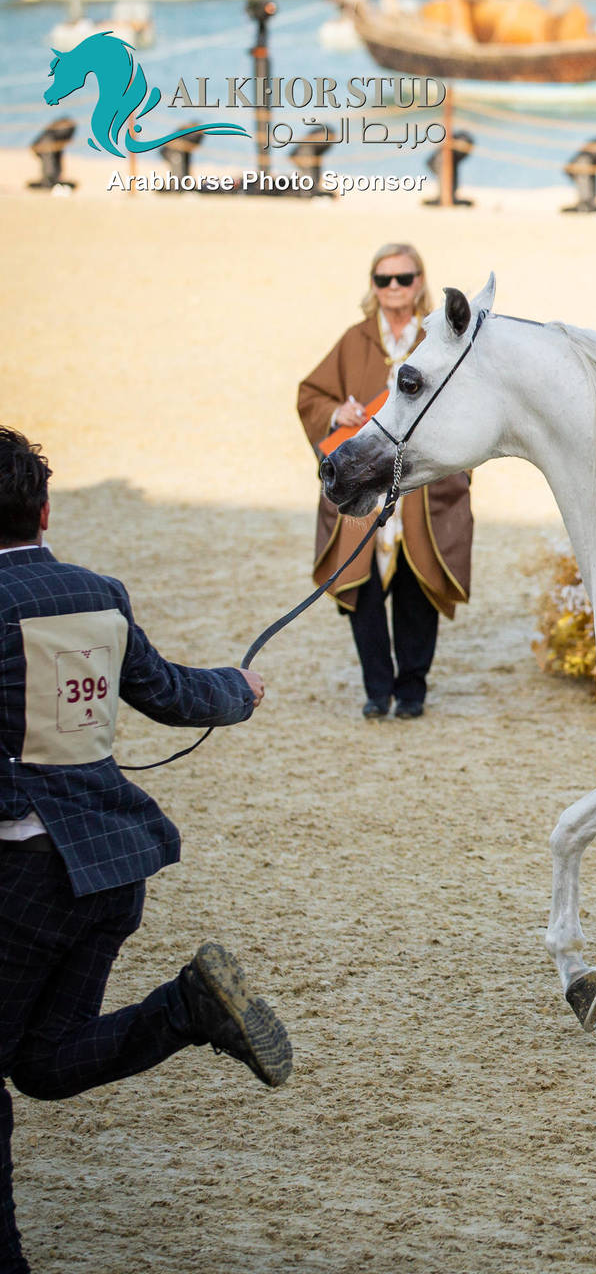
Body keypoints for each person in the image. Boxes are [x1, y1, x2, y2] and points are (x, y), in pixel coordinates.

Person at [0, 428, 290, 1274]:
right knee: (45, 1064)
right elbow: (169, 694)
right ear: (45, 511)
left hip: (19, 873)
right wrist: (239, 690)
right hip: (111, 868)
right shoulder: (99, 592)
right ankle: (188, 1008)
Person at [297, 243, 473, 720]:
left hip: (424, 487)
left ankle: (412, 692)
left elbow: (466, 403)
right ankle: (377, 690)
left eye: (404, 277)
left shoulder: (438, 337)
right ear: (373, 286)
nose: (394, 287)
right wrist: (337, 411)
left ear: (420, 281)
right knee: (364, 590)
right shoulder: (355, 339)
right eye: (383, 279)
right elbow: (310, 394)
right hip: (362, 484)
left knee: (419, 588)